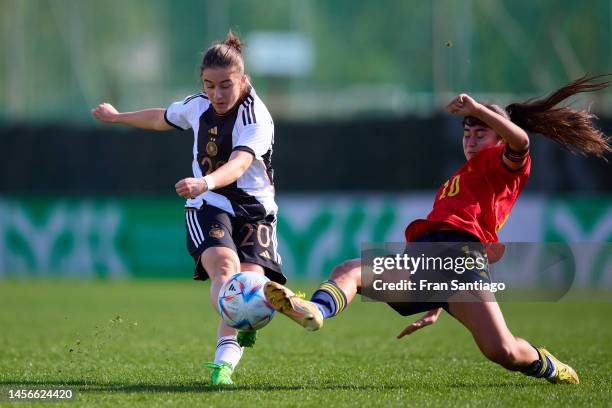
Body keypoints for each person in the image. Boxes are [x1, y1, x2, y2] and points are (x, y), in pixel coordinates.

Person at [264, 74, 612, 385]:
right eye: (467, 133)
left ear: (497, 137)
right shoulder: (459, 178)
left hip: (461, 261)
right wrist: (434, 300)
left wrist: (477, 107)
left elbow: (521, 141)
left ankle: (547, 364)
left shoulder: (503, 166)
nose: (472, 140)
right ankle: (314, 312)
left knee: (503, 350)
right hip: (429, 262)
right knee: (350, 271)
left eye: (481, 132)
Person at [92, 31, 283, 386]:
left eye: (226, 85)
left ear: (244, 80)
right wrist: (118, 117)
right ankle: (222, 367)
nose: (216, 94)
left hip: (255, 210)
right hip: (208, 205)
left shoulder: (257, 118)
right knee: (227, 272)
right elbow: (161, 117)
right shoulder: (198, 106)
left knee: (251, 283)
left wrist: (204, 180)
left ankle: (248, 319)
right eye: (209, 85)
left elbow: (239, 165)